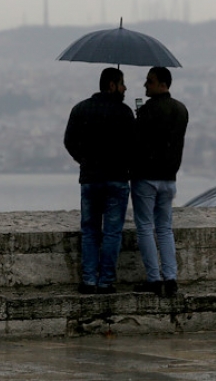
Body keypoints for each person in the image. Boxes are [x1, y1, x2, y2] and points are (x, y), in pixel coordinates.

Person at [64, 67, 134, 295]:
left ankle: (89, 281)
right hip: (117, 179)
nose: (125, 88)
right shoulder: (124, 113)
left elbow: (69, 141)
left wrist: (83, 160)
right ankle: (106, 282)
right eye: (122, 83)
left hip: (91, 178)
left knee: (90, 231)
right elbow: (134, 145)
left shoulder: (80, 109)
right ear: (111, 85)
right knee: (113, 232)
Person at [131, 67, 188, 298]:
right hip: (169, 178)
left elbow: (137, 141)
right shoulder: (181, 110)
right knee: (165, 228)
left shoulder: (148, 111)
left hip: (146, 177)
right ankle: (171, 278)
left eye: (150, 81)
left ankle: (154, 279)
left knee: (145, 227)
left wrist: (139, 116)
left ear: (162, 84)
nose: (146, 85)